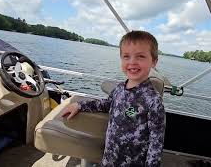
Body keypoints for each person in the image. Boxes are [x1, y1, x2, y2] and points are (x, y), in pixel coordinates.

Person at [62, 30, 165, 167]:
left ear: (154, 62)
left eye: (140, 56)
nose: (132, 62)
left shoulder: (153, 101)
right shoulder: (119, 88)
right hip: (109, 159)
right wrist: (79, 106)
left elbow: (156, 142)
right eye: (126, 56)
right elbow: (106, 104)